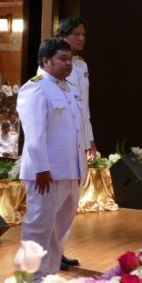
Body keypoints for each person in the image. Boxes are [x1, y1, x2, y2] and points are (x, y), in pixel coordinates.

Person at [18, 38, 86, 283]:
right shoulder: (36, 88)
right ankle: (28, 279)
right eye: (62, 59)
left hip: (69, 170)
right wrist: (41, 168)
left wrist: (79, 168)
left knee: (59, 229)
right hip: (46, 172)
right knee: (38, 226)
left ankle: (48, 274)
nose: (68, 64)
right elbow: (34, 133)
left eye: (70, 59)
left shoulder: (66, 88)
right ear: (46, 61)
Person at [54, 15, 93, 269]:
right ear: (63, 36)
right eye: (76, 34)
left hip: (79, 141)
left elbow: (84, 107)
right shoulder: (52, 65)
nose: (81, 38)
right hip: (62, 144)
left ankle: (59, 248)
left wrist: (89, 138)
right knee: (57, 202)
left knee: (72, 200)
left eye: (83, 34)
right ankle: (49, 252)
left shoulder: (81, 65)